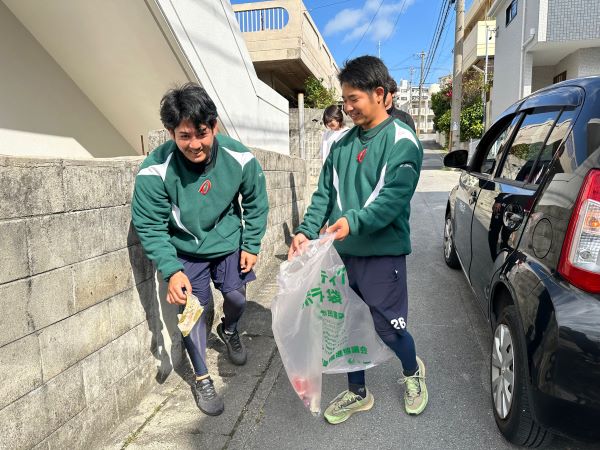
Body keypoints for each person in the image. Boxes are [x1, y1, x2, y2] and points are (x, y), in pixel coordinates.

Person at [288, 56, 428, 424]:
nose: (346, 108)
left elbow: (390, 200)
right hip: (341, 253)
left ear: (380, 94)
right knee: (347, 325)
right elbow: (323, 196)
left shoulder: (403, 142)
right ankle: (357, 393)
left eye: (354, 100)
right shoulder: (341, 145)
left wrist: (352, 220)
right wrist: (305, 230)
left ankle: (412, 372)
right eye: (345, 100)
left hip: (382, 254)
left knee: (388, 327)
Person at [131, 82, 268, 417]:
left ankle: (230, 328)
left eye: (201, 133)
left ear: (214, 126)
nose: (195, 145)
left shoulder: (239, 157)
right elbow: (149, 225)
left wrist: (251, 243)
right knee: (192, 315)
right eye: (184, 136)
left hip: (228, 243)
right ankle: (202, 378)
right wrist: (170, 269)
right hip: (184, 251)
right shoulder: (154, 169)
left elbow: (256, 201)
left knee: (236, 298)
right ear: (170, 133)